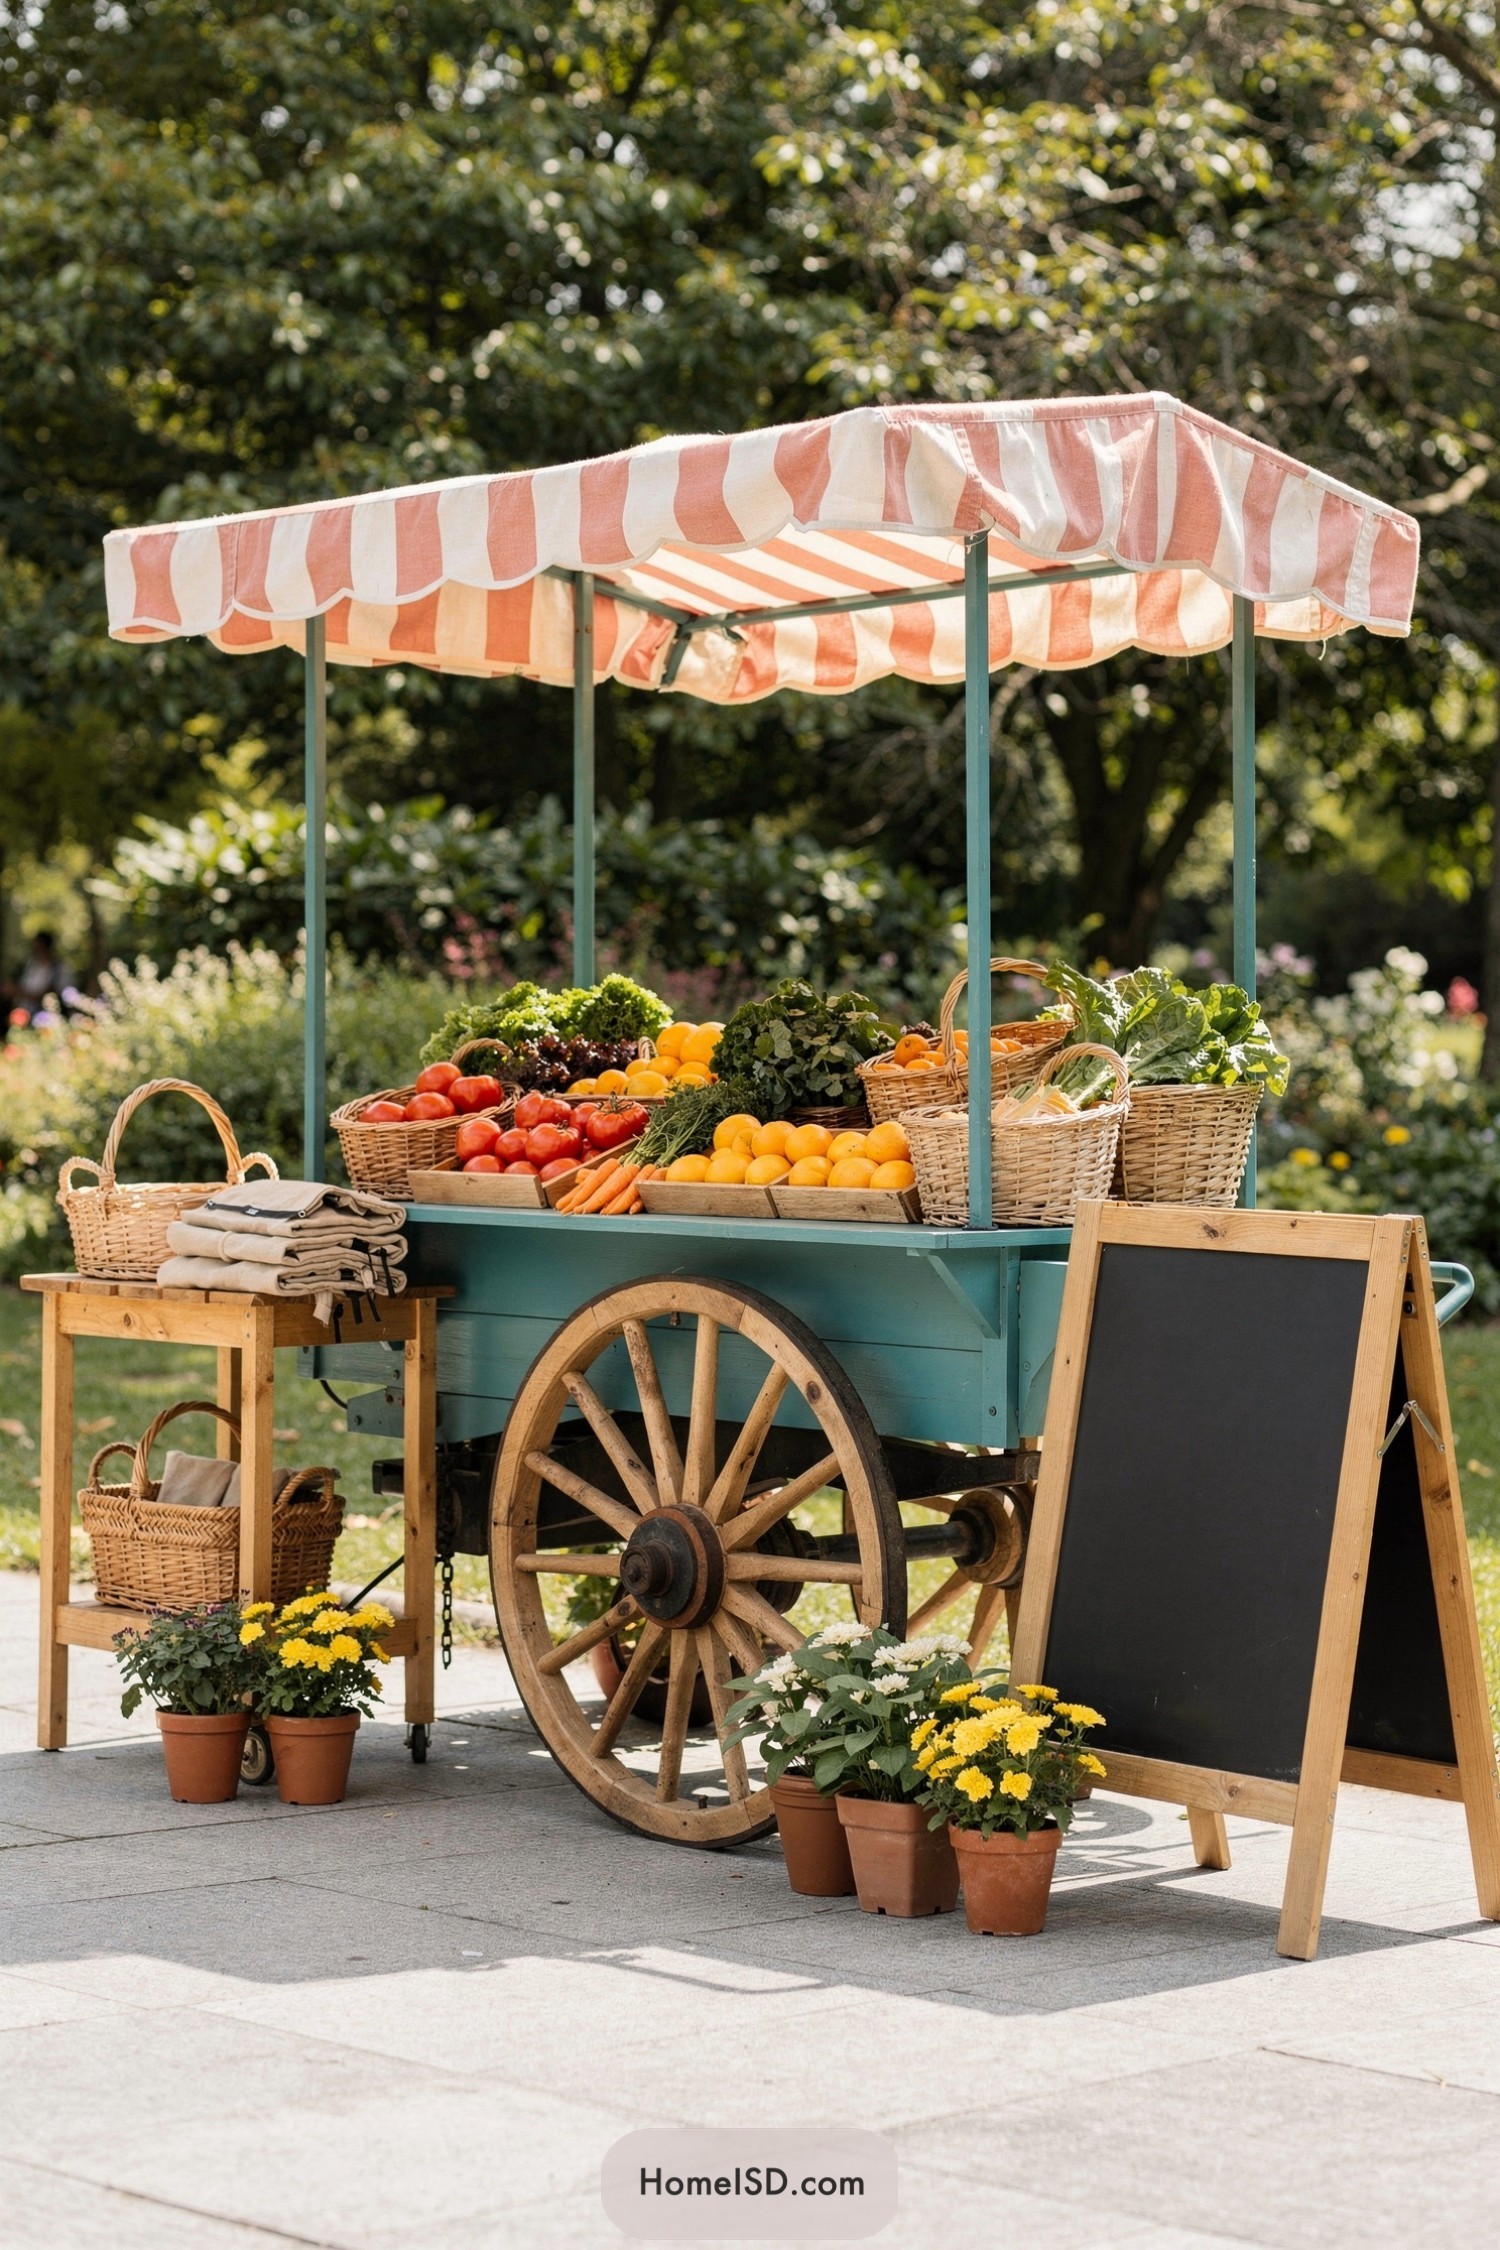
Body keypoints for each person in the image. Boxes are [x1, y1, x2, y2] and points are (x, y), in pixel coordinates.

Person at [7, 930, 78, 1023]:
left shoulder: (60, 969)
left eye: (38, 946)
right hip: (25, 1014)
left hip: (47, 1019)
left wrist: (19, 992)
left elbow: (49, 995)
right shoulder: (32, 965)